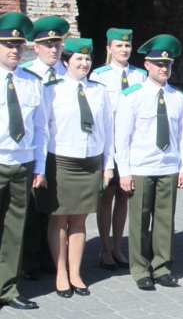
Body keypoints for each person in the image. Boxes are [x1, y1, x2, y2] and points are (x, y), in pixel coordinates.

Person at [40, 38, 114, 298]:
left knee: (80, 220)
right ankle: (60, 272)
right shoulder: (51, 90)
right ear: (65, 62)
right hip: (61, 161)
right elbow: (43, 130)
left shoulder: (99, 90)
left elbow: (107, 130)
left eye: (87, 59)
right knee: (59, 219)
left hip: (90, 162)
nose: (84, 63)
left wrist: (108, 165)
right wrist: (40, 167)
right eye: (78, 59)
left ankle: (76, 273)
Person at [115, 34, 183, 291]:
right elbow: (122, 138)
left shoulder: (179, 98)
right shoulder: (132, 96)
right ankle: (140, 269)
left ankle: (162, 267)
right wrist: (124, 172)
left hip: (168, 166)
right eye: (158, 64)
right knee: (139, 221)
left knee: (164, 221)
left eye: (167, 64)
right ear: (147, 65)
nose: (163, 68)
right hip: (141, 167)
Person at [90, 28, 147, 271]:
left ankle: (117, 247)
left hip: (132, 147)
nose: (124, 50)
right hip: (109, 145)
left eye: (127, 46)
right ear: (108, 49)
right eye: (119, 46)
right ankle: (104, 248)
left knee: (124, 197)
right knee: (106, 197)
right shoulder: (100, 75)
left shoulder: (140, 75)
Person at [0, 12, 47, 310]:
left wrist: (39, 167)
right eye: (7, 45)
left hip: (23, 163)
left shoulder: (32, 81)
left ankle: (7, 287)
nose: (14, 50)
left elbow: (40, 129)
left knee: (14, 229)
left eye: (18, 45)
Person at [20, 15, 69, 280]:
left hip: (60, 151)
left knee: (54, 208)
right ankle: (30, 259)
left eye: (57, 45)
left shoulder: (67, 72)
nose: (53, 49)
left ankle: (53, 257)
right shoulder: (27, 74)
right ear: (35, 47)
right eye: (47, 44)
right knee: (31, 208)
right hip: (36, 149)